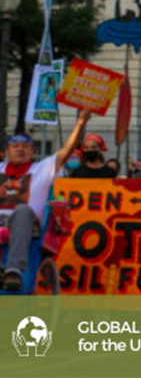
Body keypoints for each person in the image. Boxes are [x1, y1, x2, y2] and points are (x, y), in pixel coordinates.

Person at [0, 110, 90, 290]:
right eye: (15, 145)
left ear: (33, 151)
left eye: (25, 146)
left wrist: (80, 124)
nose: (20, 148)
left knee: (22, 210)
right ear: (7, 152)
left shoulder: (42, 168)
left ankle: (13, 272)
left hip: (26, 223)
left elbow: (66, 152)